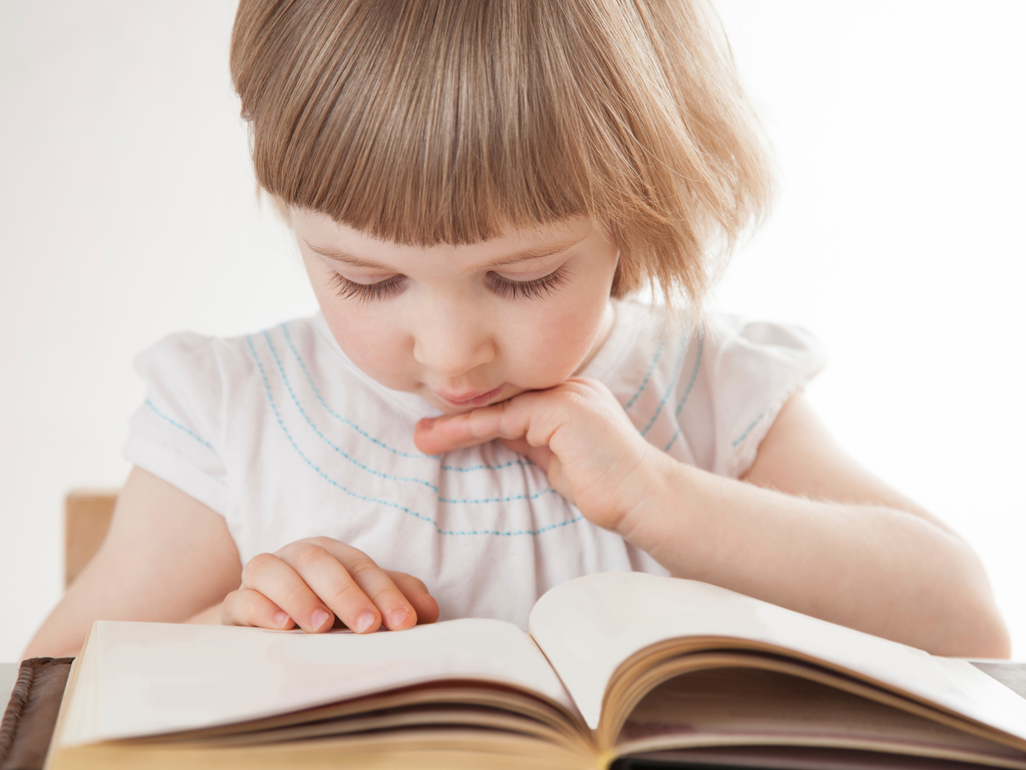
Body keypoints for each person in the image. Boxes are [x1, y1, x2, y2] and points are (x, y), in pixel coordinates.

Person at [25, 0, 1009, 659]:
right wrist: (222, 640)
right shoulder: (239, 422)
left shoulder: (707, 395)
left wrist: (664, 495)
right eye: (367, 279)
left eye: (522, 275)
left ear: (637, 213)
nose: (451, 351)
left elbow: (967, 617)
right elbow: (40, 715)